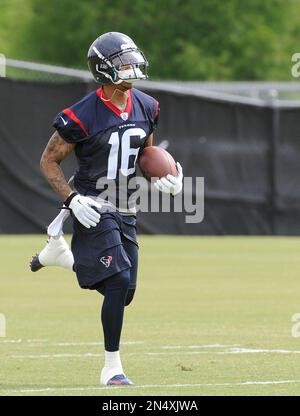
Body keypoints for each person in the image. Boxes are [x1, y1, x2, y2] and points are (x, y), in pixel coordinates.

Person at [30, 32, 183, 386]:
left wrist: (170, 175)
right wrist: (71, 199)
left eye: (132, 59)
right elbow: (48, 161)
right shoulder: (81, 115)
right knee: (117, 280)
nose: (131, 67)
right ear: (104, 70)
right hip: (93, 204)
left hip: (127, 204)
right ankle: (112, 367)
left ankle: (60, 256)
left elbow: (147, 156)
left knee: (126, 292)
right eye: (122, 62)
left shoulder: (147, 105)